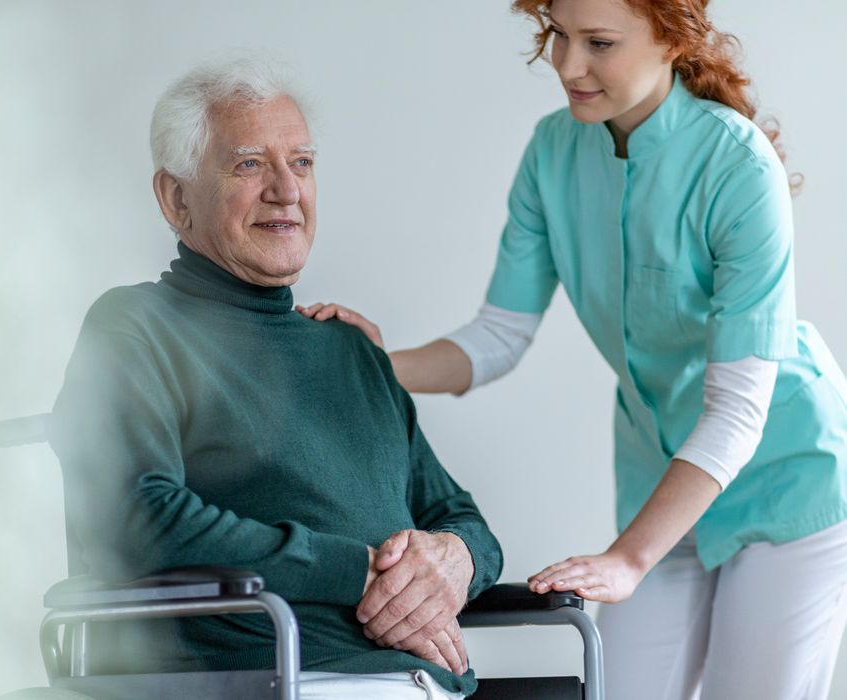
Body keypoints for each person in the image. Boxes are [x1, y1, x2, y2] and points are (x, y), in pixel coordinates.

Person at [299, 1, 847, 698]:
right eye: (558, 35)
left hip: (789, 480)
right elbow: (498, 337)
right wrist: (373, 364)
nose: (567, 64)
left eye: (599, 42)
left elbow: (740, 410)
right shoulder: (552, 152)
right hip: (660, 488)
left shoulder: (739, 166)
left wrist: (626, 560)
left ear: (673, 41)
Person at [48, 58, 502, 700]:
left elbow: (458, 516)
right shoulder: (135, 329)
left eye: (303, 163)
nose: (287, 190)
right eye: (249, 164)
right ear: (177, 198)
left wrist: (457, 560)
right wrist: (355, 572)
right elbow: (138, 516)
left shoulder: (351, 348)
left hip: (430, 685)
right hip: (275, 677)